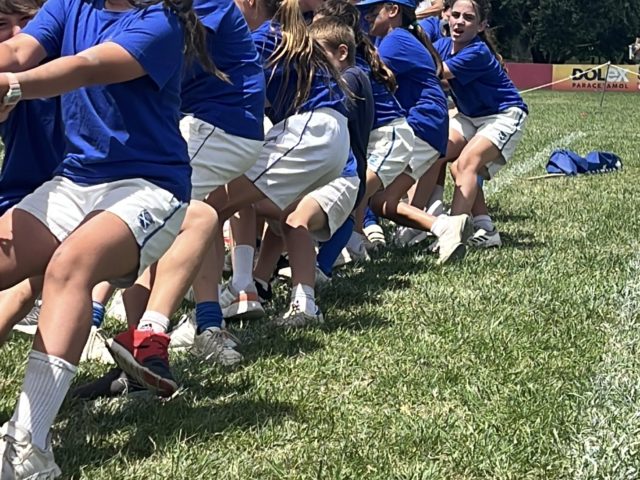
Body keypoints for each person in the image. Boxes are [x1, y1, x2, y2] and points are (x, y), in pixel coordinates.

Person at [0, 0, 215, 475]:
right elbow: (15, 51)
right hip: (75, 181)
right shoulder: (69, 4)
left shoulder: (161, 21)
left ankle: (28, 448)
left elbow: (87, 66)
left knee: (70, 265)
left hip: (150, 186)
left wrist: (13, 86)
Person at [106, 0, 350, 396]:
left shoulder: (259, 37)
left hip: (307, 131)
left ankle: (167, 326)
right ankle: (214, 314)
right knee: (211, 211)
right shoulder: (279, 34)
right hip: (324, 138)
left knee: (176, 213)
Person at [357, 0, 473, 264]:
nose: (366, 18)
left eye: (372, 12)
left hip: (420, 122)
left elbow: (362, 79)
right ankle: (444, 226)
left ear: (393, 11)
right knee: (382, 202)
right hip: (429, 123)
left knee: (362, 185)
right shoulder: (399, 37)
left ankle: (351, 241)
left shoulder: (393, 41)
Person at [431, 0, 528, 247]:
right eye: (455, 15)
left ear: (482, 25)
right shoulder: (442, 46)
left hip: (502, 114)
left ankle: (452, 236)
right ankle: (481, 227)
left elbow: (437, 73)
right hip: (469, 115)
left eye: (468, 17)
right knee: (434, 149)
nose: (459, 21)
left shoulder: (477, 52)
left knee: (464, 165)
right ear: (447, 17)